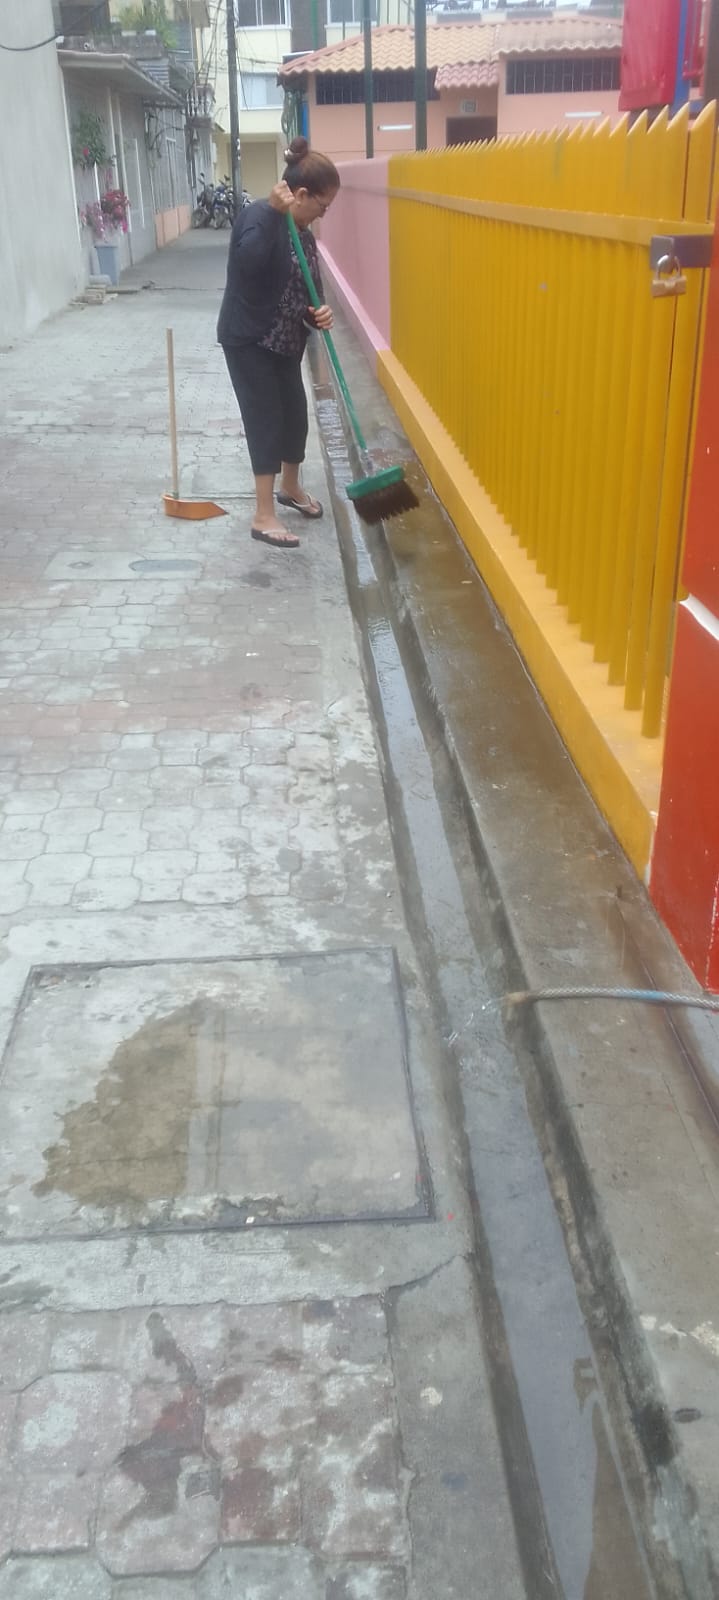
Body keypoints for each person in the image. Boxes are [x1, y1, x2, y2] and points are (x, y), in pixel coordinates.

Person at [217, 136, 340, 549]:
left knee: (294, 416)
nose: (323, 213)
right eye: (322, 205)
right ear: (300, 195)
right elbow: (247, 265)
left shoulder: (304, 233)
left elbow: (308, 290)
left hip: (286, 341)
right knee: (265, 419)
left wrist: (317, 313)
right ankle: (263, 515)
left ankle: (290, 488)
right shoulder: (259, 217)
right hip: (250, 339)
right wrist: (273, 213)